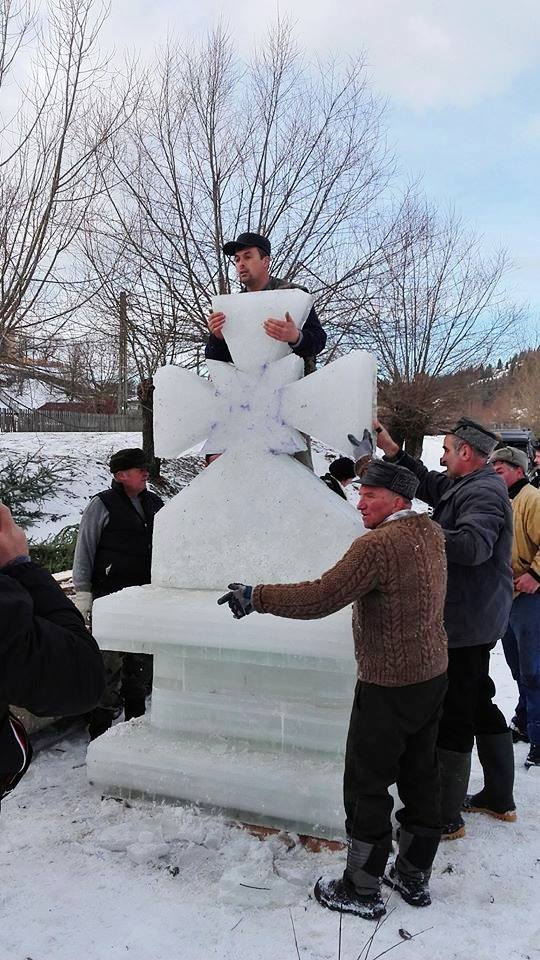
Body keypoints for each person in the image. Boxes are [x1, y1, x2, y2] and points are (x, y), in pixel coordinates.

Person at [218, 460, 448, 919]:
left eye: (372, 496)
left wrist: (256, 596)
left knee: (367, 783)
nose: (360, 503)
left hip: (388, 684)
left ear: (398, 500)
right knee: (422, 774)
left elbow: (322, 596)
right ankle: (413, 873)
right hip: (432, 675)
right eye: (360, 493)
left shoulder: (377, 545)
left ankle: (361, 888)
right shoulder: (431, 531)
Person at [374, 416, 515, 838]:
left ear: (466, 453)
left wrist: (417, 530)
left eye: (448, 449)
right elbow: (431, 484)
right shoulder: (466, 484)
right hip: (473, 614)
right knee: (478, 700)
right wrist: (393, 450)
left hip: (468, 620)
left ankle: (445, 816)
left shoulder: (486, 493)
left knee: (455, 711)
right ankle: (498, 797)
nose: (443, 455)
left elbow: (472, 548)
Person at [0, 503, 104, 804]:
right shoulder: (103, 505)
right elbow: (82, 677)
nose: (144, 473)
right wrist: (19, 566)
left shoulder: (148, 504)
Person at [73, 448, 163, 739]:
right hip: (110, 600)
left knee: (139, 668)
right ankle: (99, 734)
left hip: (145, 599)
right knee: (107, 670)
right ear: (121, 475)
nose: (146, 472)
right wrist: (83, 592)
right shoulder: (102, 504)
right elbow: (85, 550)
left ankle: (135, 730)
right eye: (139, 468)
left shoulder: (154, 503)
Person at [205, 232, 327, 376]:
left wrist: (295, 337)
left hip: (295, 388)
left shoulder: (294, 294)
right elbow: (215, 359)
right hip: (251, 391)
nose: (241, 264)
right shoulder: (232, 307)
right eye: (237, 260)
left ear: (265, 261)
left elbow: (318, 340)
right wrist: (218, 337)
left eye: (248, 257)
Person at [490, 446, 540, 769]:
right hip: (506, 595)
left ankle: (539, 736)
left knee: (534, 670)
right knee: (515, 665)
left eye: (500, 470)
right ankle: (523, 720)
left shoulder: (533, 499)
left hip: (531, 597)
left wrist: (536, 574)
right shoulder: (502, 500)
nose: (495, 474)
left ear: (517, 471)